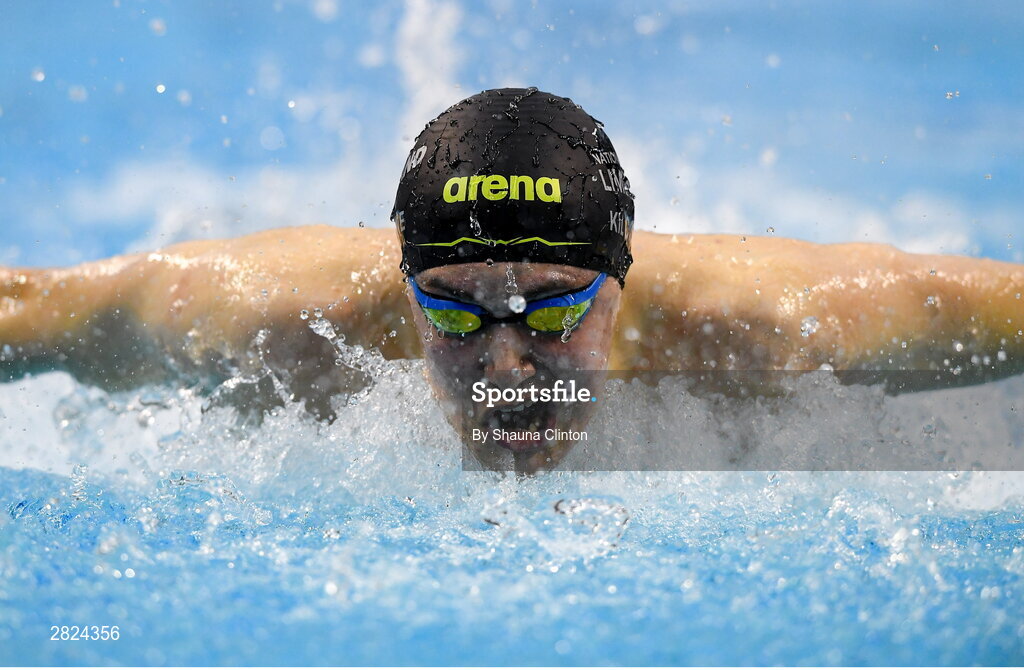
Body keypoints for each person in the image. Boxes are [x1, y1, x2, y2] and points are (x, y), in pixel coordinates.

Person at [1, 88, 1022, 472]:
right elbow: (29, 309)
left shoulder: (770, 327)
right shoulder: (271, 318)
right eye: (453, 311)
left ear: (621, 285)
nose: (505, 363)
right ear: (404, 290)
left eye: (558, 309)